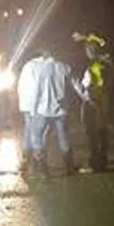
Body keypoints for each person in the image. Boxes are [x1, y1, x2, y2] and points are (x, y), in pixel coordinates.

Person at [29, 48, 83, 178]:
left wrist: (33, 108)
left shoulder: (41, 69)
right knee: (63, 137)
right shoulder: (63, 66)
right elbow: (75, 83)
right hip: (61, 110)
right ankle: (69, 167)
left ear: (44, 54)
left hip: (43, 110)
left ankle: (43, 170)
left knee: (38, 137)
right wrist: (85, 96)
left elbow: (37, 90)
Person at [79, 40, 113, 173]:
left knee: (92, 134)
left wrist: (82, 90)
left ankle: (94, 163)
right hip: (105, 101)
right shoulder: (107, 64)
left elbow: (89, 86)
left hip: (93, 102)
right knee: (103, 131)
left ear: (89, 51)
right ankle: (103, 161)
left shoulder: (93, 66)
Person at [16, 51, 46, 171]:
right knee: (36, 134)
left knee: (28, 132)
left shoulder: (27, 67)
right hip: (35, 106)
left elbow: (20, 87)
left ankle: (25, 160)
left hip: (26, 105)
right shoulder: (41, 67)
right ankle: (38, 161)